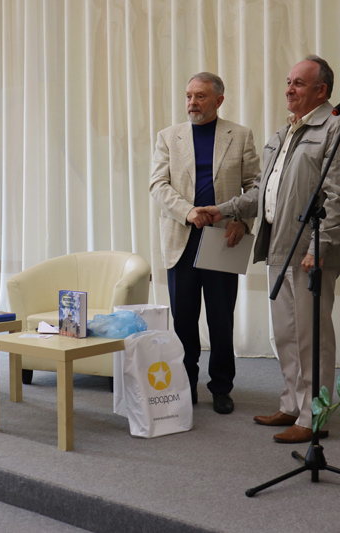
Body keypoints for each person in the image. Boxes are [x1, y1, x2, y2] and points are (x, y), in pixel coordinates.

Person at [200, 56, 340, 443]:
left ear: (321, 91)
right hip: (279, 245)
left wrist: (320, 246)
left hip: (310, 251)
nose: (289, 89)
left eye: (299, 83)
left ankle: (314, 416)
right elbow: (263, 190)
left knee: (311, 336)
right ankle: (292, 404)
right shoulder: (286, 132)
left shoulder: (339, 130)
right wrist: (223, 210)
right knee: (287, 335)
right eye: (289, 82)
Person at [149, 72, 260, 414]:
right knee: (183, 320)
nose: (192, 103)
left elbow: (256, 187)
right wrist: (188, 212)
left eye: (200, 96)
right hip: (181, 237)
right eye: (188, 96)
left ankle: (222, 387)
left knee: (220, 319)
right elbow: (158, 185)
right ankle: (186, 384)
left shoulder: (240, 135)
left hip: (223, 238)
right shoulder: (168, 137)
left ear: (218, 100)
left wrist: (243, 220)